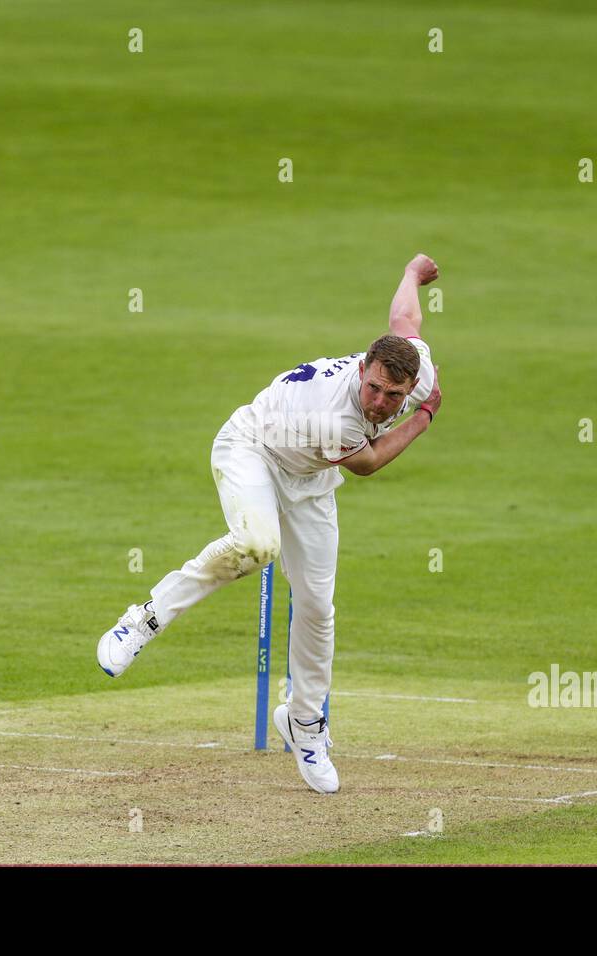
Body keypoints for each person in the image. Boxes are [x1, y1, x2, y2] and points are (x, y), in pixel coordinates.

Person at [96, 254, 443, 793]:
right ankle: (142, 619)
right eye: (374, 388)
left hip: (308, 478)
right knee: (258, 545)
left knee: (317, 606)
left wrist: (411, 274)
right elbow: (369, 462)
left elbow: (405, 324)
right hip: (253, 447)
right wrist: (421, 419)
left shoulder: (412, 368)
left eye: (394, 396)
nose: (380, 402)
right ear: (361, 372)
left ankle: (303, 722)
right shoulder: (342, 414)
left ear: (411, 381)